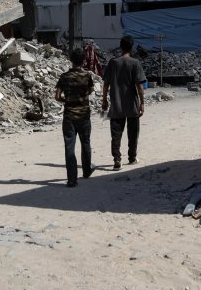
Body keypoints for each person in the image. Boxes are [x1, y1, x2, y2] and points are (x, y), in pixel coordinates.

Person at [101, 35, 146, 170]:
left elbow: (105, 84)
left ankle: (117, 159)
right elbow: (139, 86)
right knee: (133, 133)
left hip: (116, 105)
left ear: (121, 46)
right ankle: (132, 157)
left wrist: (104, 100)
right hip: (131, 104)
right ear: (131, 47)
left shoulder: (113, 63)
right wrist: (142, 102)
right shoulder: (135, 63)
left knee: (116, 134)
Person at [55, 48, 96, 186]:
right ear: (83, 61)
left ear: (71, 61)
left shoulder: (64, 77)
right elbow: (90, 90)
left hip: (69, 116)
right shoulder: (87, 76)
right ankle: (87, 170)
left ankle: (72, 179)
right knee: (85, 142)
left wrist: (66, 101)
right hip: (84, 114)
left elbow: (57, 96)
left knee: (69, 146)